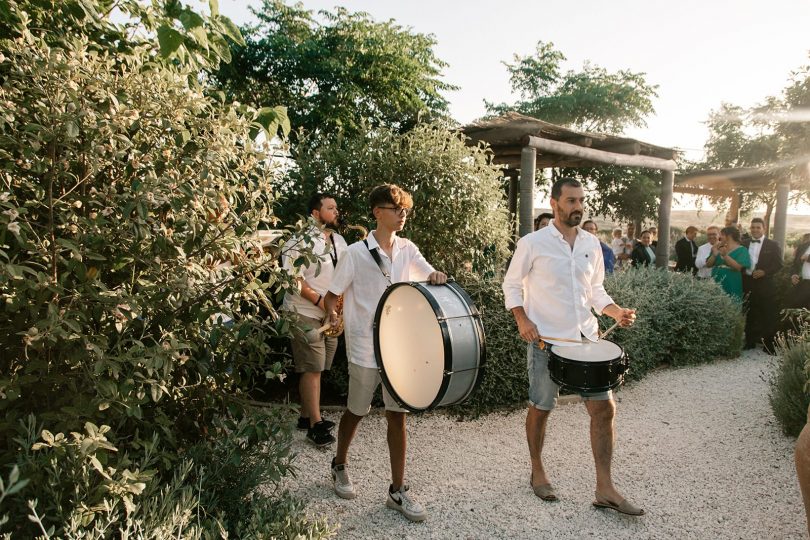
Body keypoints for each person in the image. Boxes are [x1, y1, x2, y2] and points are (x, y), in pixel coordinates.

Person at [503, 177, 642, 516]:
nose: (577, 207)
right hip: (545, 341)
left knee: (604, 409)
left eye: (581, 201)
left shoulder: (592, 243)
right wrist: (522, 319)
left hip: (586, 339)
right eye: (570, 201)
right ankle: (537, 470)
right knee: (541, 406)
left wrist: (615, 311)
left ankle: (604, 488)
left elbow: (596, 292)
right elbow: (511, 285)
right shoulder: (533, 242)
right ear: (554, 204)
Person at [324, 184, 447, 522]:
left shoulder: (408, 249)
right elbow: (332, 294)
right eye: (396, 208)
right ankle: (339, 464)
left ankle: (397, 490)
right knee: (356, 410)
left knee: (397, 415)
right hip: (364, 346)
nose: (402, 213)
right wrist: (332, 314)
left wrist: (435, 275)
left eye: (404, 208)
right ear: (378, 212)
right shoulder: (353, 253)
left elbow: (428, 272)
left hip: (400, 348)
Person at [281, 193, 347, 446]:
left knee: (320, 366)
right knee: (313, 368)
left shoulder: (340, 241)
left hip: (330, 314)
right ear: (315, 214)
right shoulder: (298, 240)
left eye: (336, 208)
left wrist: (339, 308)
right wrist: (323, 303)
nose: (336, 212)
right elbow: (294, 280)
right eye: (331, 208)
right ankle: (315, 426)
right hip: (304, 312)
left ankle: (304, 416)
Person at [742, 218, 783, 350]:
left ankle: (769, 344)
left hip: (765, 284)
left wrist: (764, 272)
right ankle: (749, 342)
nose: (755, 230)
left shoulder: (773, 245)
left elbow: (778, 264)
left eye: (758, 227)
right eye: (753, 227)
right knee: (750, 313)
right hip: (748, 282)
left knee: (767, 313)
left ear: (764, 229)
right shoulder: (744, 243)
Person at [705, 226, 751, 303]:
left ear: (729, 236)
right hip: (716, 279)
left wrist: (725, 256)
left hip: (732, 280)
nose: (719, 237)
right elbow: (708, 265)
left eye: (722, 235)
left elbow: (738, 267)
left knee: (731, 304)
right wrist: (714, 254)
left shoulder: (742, 250)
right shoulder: (718, 247)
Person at [787, 233, 810, 310]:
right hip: (802, 285)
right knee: (798, 312)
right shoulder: (802, 246)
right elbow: (795, 264)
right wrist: (793, 275)